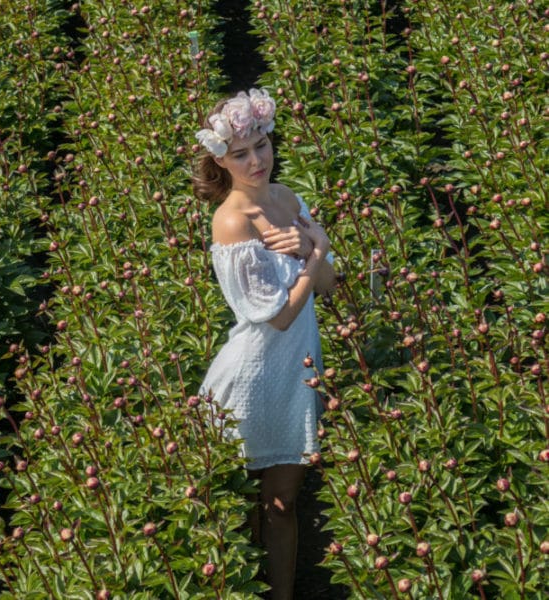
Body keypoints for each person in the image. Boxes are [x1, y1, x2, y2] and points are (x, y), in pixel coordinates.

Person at [192, 89, 337, 600]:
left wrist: (314, 254)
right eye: (241, 153)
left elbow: (328, 287)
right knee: (240, 505)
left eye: (262, 144)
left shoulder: (289, 199)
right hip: (253, 378)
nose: (256, 160)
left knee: (284, 503)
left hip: (296, 375)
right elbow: (276, 317)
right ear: (221, 160)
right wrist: (315, 251)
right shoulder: (232, 222)